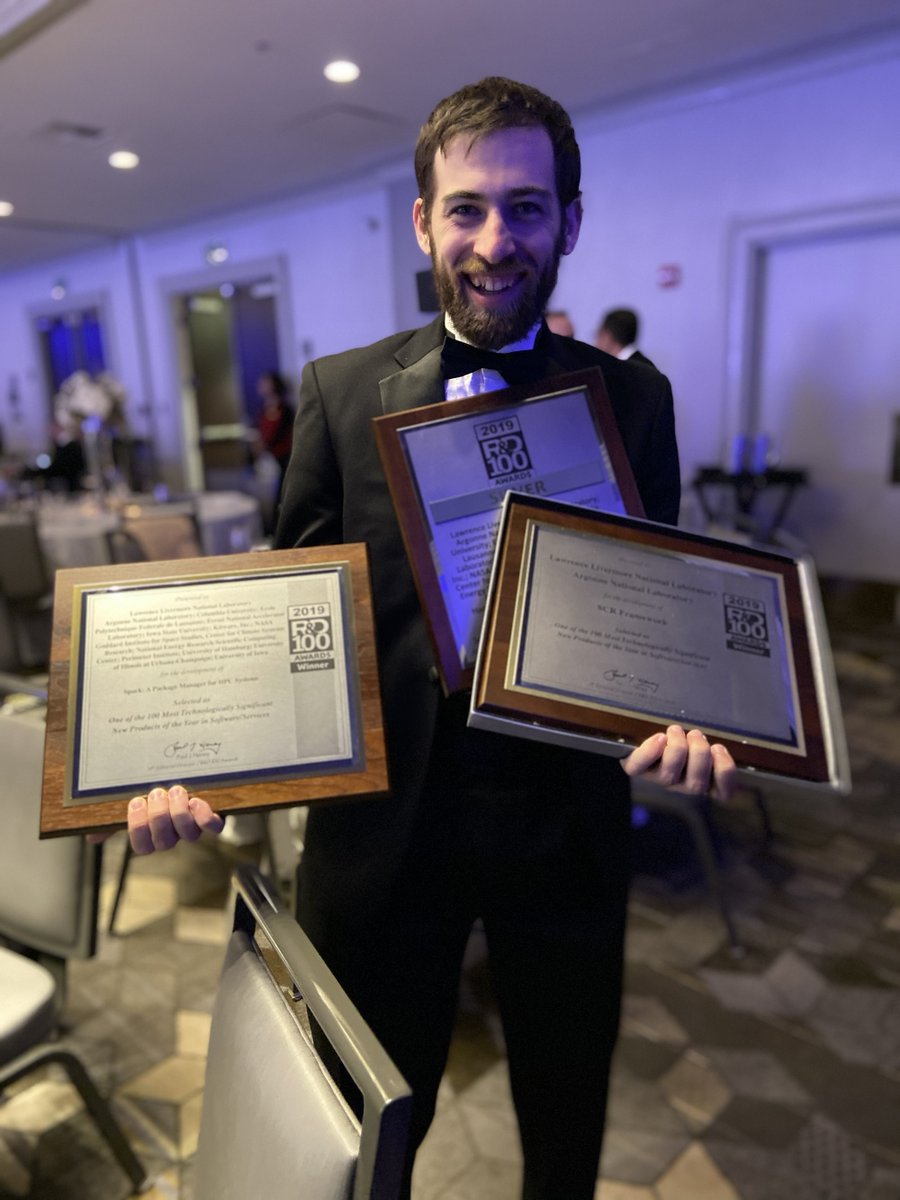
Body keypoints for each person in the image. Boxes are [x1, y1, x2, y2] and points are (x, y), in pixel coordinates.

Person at [127, 77, 736, 1200]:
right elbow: (285, 621)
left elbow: (656, 615)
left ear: (570, 221)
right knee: (363, 1136)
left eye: (526, 207)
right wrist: (195, 762)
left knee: (566, 1117)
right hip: (384, 832)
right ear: (423, 221)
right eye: (467, 208)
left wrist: (680, 719)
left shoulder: (634, 402)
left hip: (565, 827)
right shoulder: (339, 393)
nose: (495, 241)